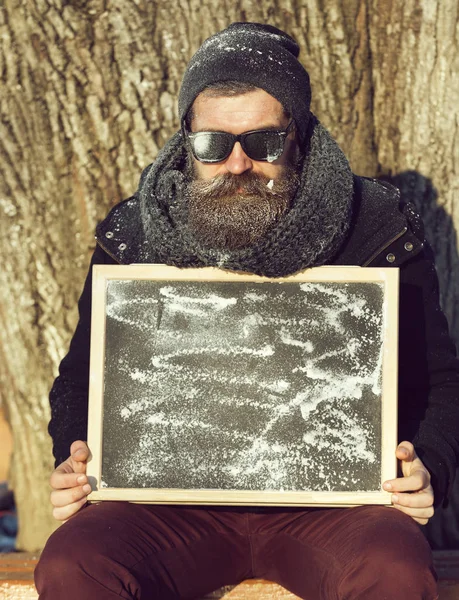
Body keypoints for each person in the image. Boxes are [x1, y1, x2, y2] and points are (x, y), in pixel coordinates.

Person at [35, 22, 459, 600]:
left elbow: (439, 382)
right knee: (75, 565)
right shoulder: (136, 233)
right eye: (213, 144)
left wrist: (426, 464)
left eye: (262, 142)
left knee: (395, 570)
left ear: (298, 135)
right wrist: (74, 456)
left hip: (332, 509)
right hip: (169, 509)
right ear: (187, 139)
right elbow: (81, 379)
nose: (237, 164)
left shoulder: (376, 227)